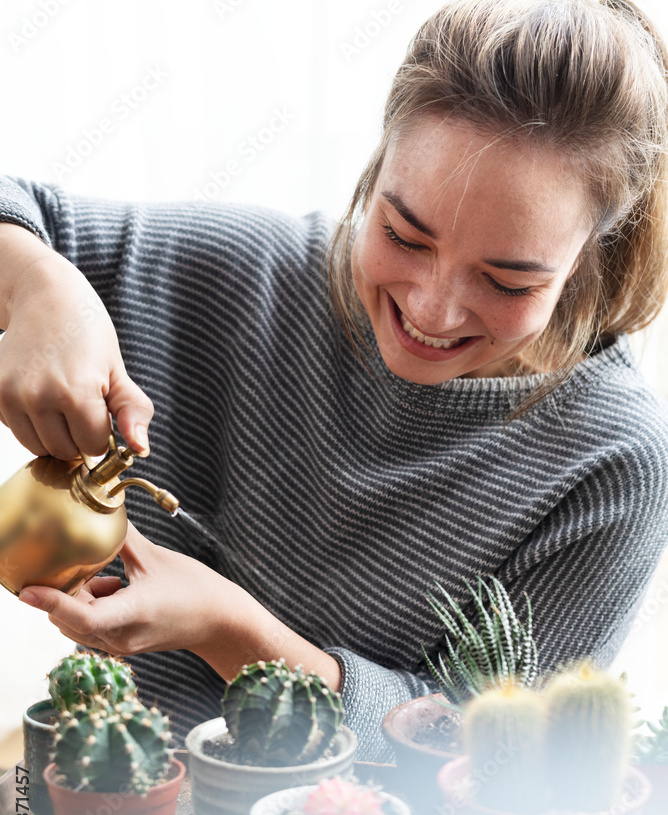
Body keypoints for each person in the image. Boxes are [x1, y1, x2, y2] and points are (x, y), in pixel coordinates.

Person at [0, 0, 667, 762]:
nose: (431, 309)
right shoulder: (254, 276)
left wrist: (234, 633)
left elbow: (493, 772)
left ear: (590, 254)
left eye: (508, 280)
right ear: (376, 165)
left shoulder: (611, 462)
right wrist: (38, 283)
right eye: (402, 235)